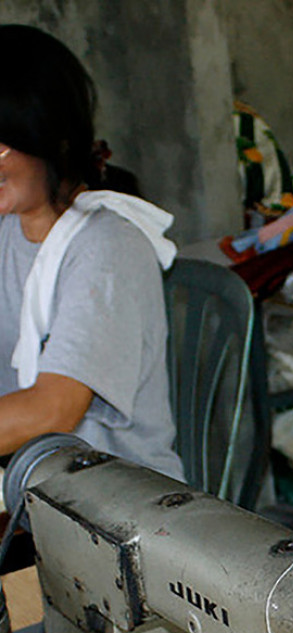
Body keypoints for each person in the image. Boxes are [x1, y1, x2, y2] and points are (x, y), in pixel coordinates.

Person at [0, 24, 183, 479]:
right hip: (39, 490)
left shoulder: (108, 247)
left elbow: (51, 410)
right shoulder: (8, 230)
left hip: (115, 510)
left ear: (47, 135)